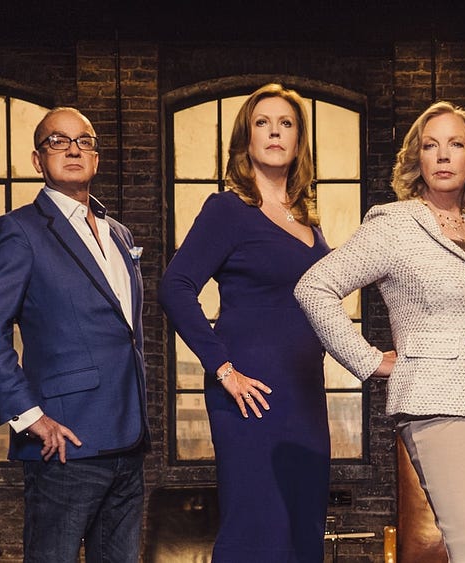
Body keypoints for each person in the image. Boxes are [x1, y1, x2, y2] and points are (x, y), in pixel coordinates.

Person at [295, 101, 465, 563]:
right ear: (417, 159)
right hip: (436, 408)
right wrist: (370, 360)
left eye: (455, 144)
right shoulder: (394, 226)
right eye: (431, 146)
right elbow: (314, 287)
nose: (443, 155)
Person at [159, 84, 331, 561]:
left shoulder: (309, 222)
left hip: (305, 395)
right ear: (246, 139)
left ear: (299, 140)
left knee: (303, 532)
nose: (275, 132)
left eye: (286, 123)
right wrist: (223, 368)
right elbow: (175, 287)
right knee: (258, 531)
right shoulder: (228, 210)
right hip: (251, 396)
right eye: (262, 123)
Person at [0, 107, 148, 562]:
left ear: (96, 158)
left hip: (128, 441)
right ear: (37, 160)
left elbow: (125, 335)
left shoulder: (120, 234)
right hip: (63, 443)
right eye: (57, 141)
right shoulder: (20, 230)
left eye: (84, 141)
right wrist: (29, 417)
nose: (72, 149)